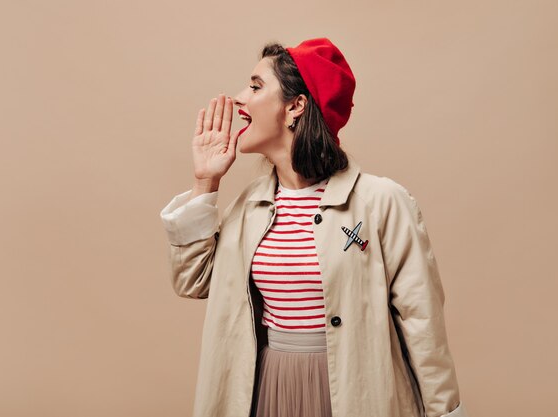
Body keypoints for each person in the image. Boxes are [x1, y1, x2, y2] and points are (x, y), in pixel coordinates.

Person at [160, 37, 469, 417]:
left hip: (356, 389)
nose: (240, 98)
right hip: (269, 386)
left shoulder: (381, 201)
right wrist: (205, 182)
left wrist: (446, 411)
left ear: (295, 106)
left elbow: (423, 324)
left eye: (256, 86)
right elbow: (193, 280)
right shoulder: (249, 207)